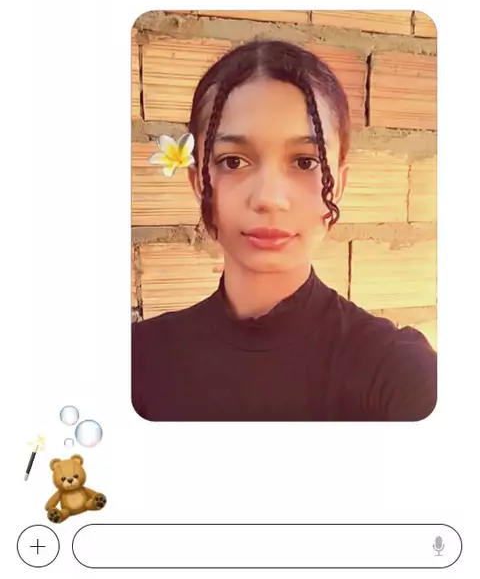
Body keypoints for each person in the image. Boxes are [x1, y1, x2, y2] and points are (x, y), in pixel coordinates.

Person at [132, 39, 437, 422]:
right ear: (197, 182)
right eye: (233, 161)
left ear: (339, 185)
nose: (270, 198)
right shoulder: (136, 359)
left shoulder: (395, 369)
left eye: (306, 162)